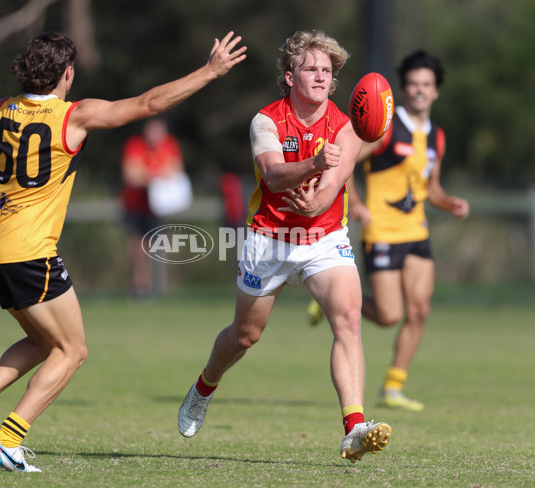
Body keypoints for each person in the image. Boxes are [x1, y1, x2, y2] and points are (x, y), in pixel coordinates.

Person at [0, 31, 246, 472]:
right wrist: (209, 71)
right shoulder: (73, 116)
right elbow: (148, 105)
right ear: (67, 74)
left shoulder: (3, 110)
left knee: (45, 342)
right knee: (73, 350)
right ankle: (8, 439)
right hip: (28, 250)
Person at [177, 30, 391, 464]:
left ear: (334, 83)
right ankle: (203, 387)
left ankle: (354, 428)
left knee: (349, 318)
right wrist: (314, 164)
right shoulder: (267, 121)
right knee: (244, 335)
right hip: (270, 238)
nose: (319, 76)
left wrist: (317, 199)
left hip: (324, 238)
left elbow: (334, 184)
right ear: (290, 76)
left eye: (327, 71)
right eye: (310, 68)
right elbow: (273, 176)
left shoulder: (348, 127)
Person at [307, 50, 470, 411]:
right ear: (402, 89)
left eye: (426, 85)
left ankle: (393, 387)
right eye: (412, 84)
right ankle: (328, 301)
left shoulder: (437, 137)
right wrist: (358, 203)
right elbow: (344, 164)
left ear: (436, 91)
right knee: (389, 315)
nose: (419, 91)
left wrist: (450, 203)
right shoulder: (383, 128)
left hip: (416, 231)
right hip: (380, 231)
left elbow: (432, 188)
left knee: (420, 310)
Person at [121, 117, 184, 297]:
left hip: (160, 208)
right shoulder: (135, 145)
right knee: (138, 249)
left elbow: (176, 170)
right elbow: (131, 175)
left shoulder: (170, 144)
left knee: (161, 248)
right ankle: (140, 288)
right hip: (135, 206)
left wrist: (149, 173)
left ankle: (160, 287)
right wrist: (157, 174)